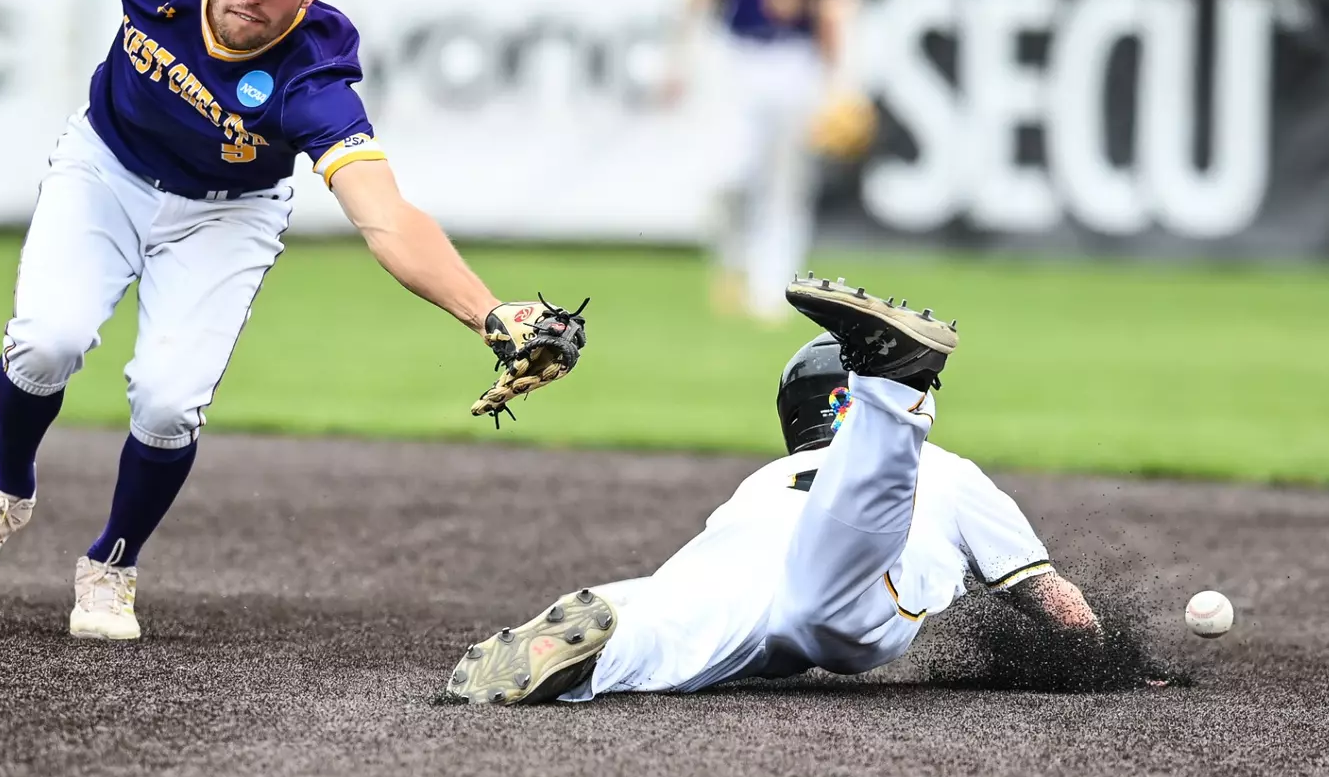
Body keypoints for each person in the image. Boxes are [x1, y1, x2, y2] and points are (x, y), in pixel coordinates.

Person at [0, 0, 586, 640]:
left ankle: (112, 564)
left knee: (165, 402)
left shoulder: (312, 78)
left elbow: (384, 216)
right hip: (106, 168)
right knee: (48, 338)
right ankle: (5, 489)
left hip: (224, 215)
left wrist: (487, 311)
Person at [447, 274, 1104, 705]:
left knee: (673, 623)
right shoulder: (951, 473)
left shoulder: (761, 479)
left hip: (740, 566)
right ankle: (896, 387)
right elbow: (1056, 604)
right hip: (848, 595)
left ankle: (598, 654)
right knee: (851, 535)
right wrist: (1103, 661)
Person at [667, 0, 867, 323]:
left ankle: (772, 291)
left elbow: (835, 8)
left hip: (794, 60)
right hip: (740, 57)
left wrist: (840, 81)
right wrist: (679, 59)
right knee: (726, 174)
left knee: (785, 186)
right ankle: (734, 264)